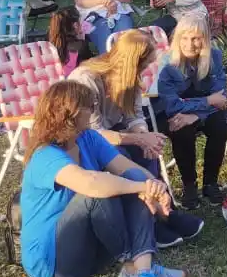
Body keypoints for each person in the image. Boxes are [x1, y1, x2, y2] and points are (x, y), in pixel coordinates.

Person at [17, 80, 185, 277]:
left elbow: (127, 167)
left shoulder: (88, 138)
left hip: (93, 252)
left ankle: (142, 271)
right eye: (91, 107)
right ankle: (133, 267)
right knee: (96, 195)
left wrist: (155, 186)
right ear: (72, 113)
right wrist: (142, 187)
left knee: (136, 180)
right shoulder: (45, 155)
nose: (95, 111)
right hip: (55, 262)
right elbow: (91, 184)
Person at [67, 30, 205, 247]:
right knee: (121, 157)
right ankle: (151, 220)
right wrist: (138, 140)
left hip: (111, 130)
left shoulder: (129, 77)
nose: (147, 68)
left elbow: (134, 115)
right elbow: (93, 133)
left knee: (146, 150)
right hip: (81, 140)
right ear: (134, 62)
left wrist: (143, 135)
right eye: (145, 64)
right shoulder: (86, 80)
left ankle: (164, 210)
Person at [155, 13, 227, 209]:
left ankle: (210, 183)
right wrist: (207, 101)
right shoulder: (167, 64)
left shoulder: (215, 56)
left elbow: (220, 97)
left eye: (196, 38)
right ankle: (189, 185)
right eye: (185, 38)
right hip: (172, 114)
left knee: (220, 126)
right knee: (181, 129)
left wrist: (196, 114)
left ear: (204, 39)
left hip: (202, 112)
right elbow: (172, 106)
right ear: (178, 39)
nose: (190, 44)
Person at [49, 5, 92, 76]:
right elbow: (92, 65)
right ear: (75, 25)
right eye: (80, 21)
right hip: (74, 83)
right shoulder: (80, 46)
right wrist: (81, 40)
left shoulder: (49, 42)